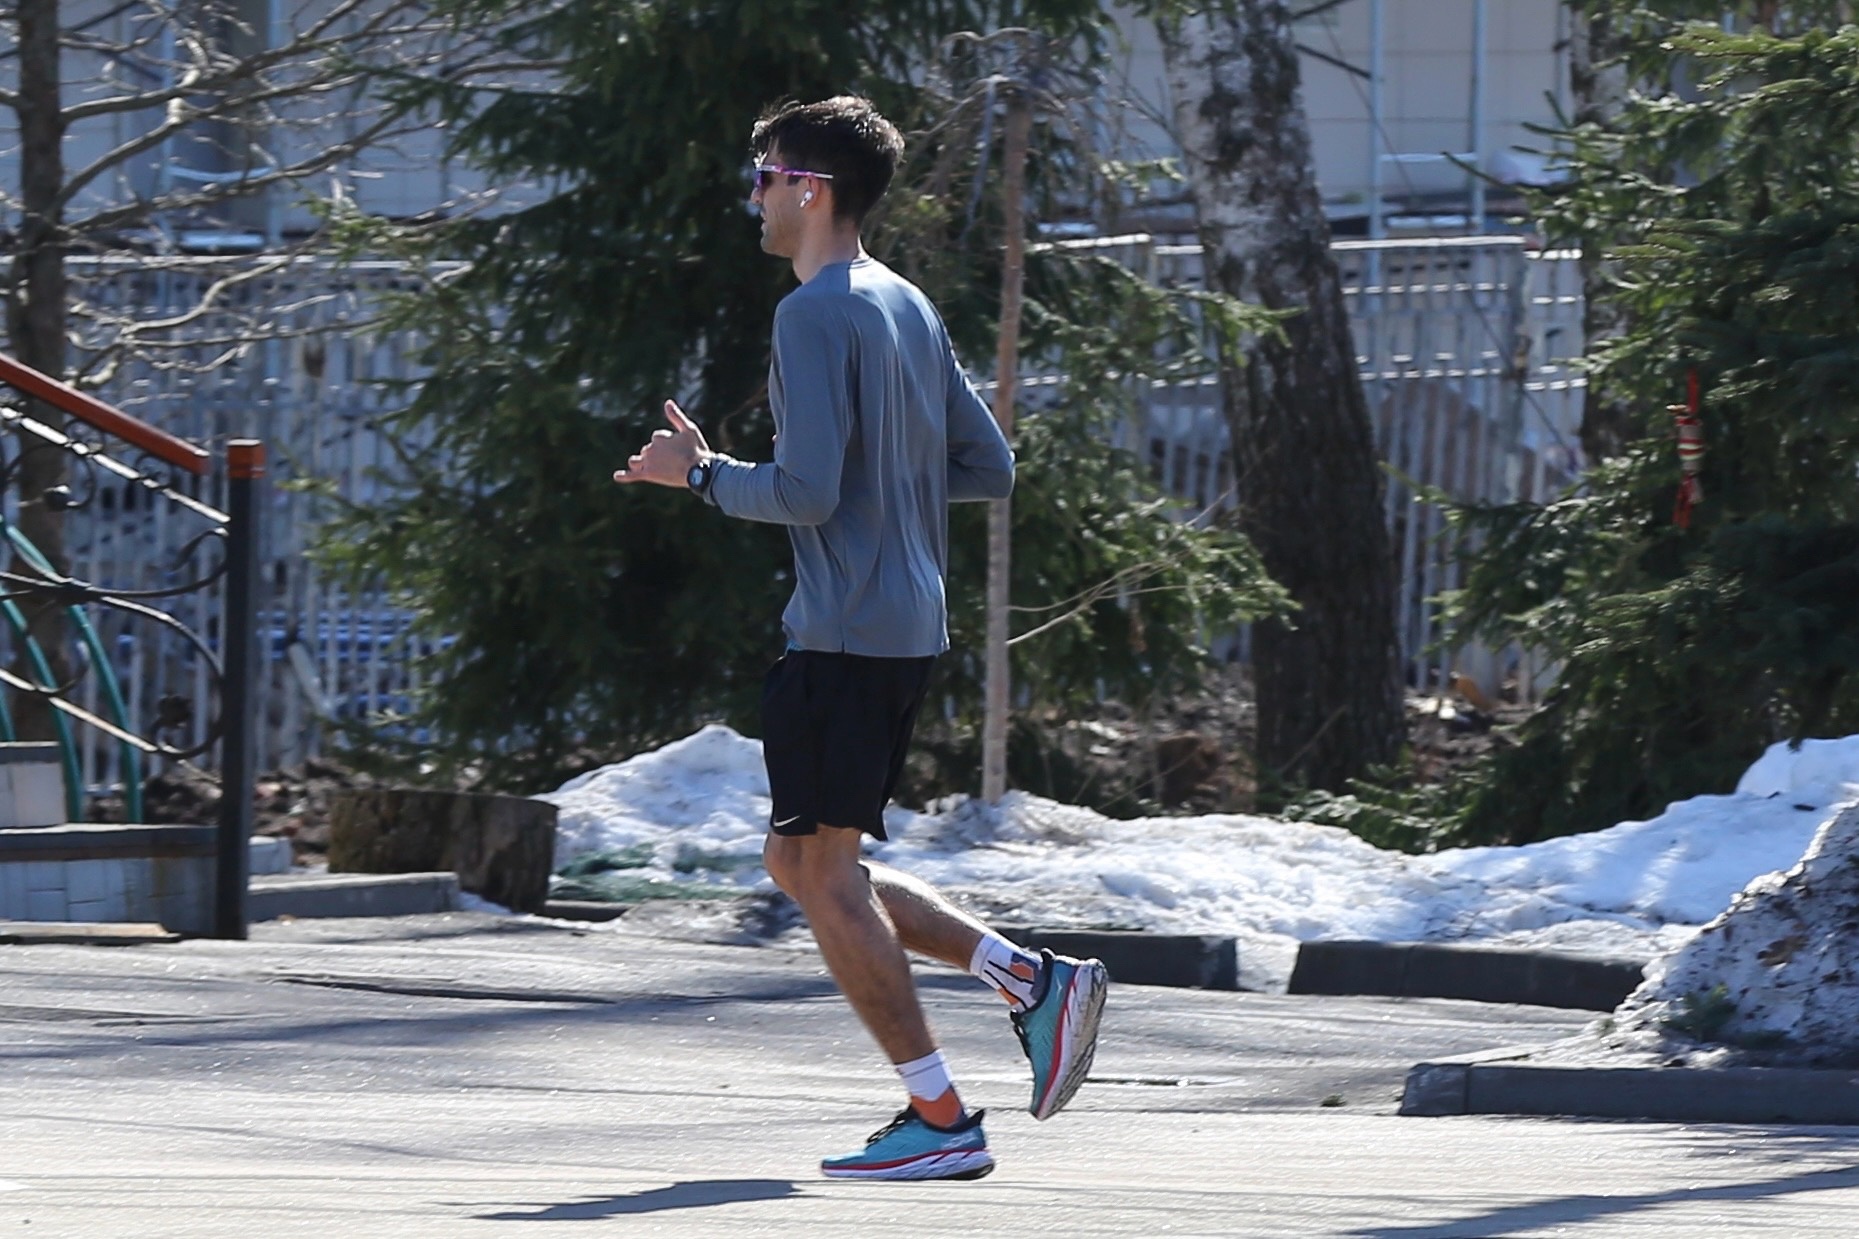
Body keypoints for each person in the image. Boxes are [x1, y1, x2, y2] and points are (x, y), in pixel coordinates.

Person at [613, 95, 1108, 1183]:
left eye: (761, 177)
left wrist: (692, 474)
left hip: (841, 634)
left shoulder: (813, 313)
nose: (753, 196)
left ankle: (940, 1116)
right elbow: (988, 467)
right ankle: (1026, 982)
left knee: (823, 874)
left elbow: (803, 490)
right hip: (898, 623)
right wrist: (887, 496)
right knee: (801, 862)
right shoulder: (905, 303)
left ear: (809, 188)